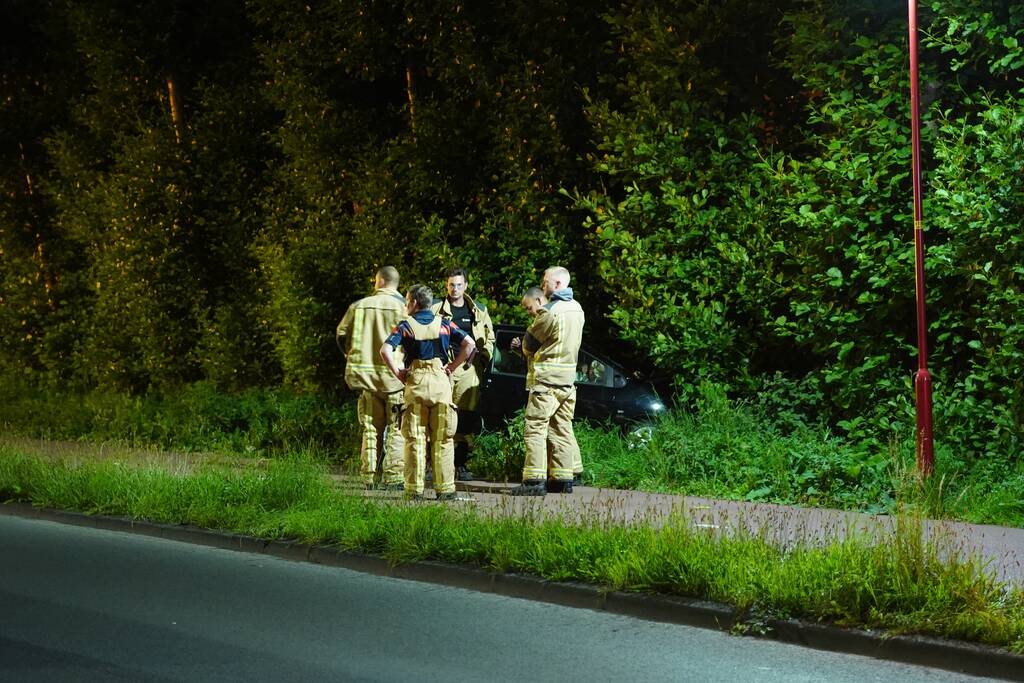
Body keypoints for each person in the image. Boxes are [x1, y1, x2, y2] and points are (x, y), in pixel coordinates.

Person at [381, 284, 476, 501]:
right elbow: (469, 344)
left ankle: (414, 490)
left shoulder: (406, 326)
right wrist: (452, 367)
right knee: (443, 438)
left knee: (415, 439)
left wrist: (399, 373)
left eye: (407, 301)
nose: (406, 305)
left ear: (414, 303)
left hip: (416, 383)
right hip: (441, 382)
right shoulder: (444, 323)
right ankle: (446, 490)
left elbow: (385, 349)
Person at [506, 267, 585, 496]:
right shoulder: (577, 309)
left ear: (557, 284)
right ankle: (562, 480)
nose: (543, 286)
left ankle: (534, 481)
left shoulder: (550, 312)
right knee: (561, 429)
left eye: (545, 282)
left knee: (535, 429)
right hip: (567, 384)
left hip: (546, 382)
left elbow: (529, 344)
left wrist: (521, 346)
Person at [336, 266, 407, 490]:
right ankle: (393, 478)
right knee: (396, 428)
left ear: (380, 281)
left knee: (370, 428)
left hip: (366, 379)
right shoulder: (404, 308)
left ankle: (369, 476)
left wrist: (348, 354)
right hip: (395, 379)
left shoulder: (359, 306)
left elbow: (341, 334)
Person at [431, 267, 495, 481]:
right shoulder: (436, 309)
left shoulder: (478, 310)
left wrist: (482, 359)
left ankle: (460, 464)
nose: (455, 289)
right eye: (451, 285)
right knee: (439, 415)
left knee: (465, 419)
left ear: (466, 285)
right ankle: (433, 464)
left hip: (469, 370)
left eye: (459, 285)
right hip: (443, 369)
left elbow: (490, 338)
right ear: (446, 286)